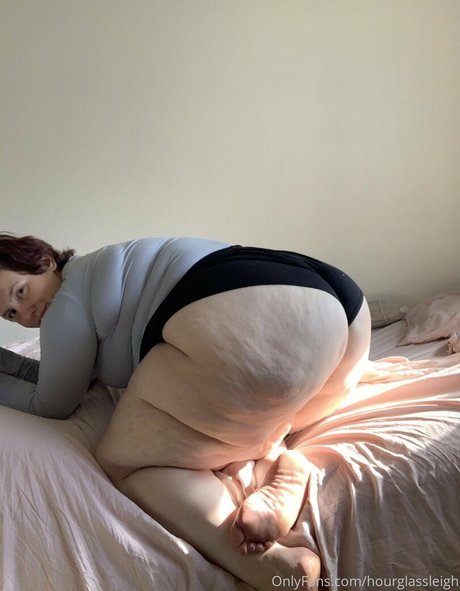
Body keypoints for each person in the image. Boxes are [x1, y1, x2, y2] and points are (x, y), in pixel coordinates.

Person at [0, 232, 371, 588]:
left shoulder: (66, 304)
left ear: (45, 261)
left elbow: (51, 403)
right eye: (11, 314)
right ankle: (281, 461)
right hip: (337, 316)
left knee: (123, 461)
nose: (26, 312)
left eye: (20, 291)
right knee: (239, 411)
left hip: (251, 323)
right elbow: (59, 376)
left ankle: (274, 566)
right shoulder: (100, 268)